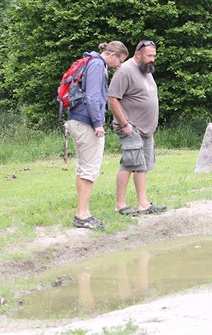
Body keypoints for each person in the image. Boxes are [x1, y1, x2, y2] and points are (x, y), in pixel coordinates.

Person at [66, 41, 129, 229]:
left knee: (84, 168)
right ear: (112, 55)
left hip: (77, 120)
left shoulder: (92, 62)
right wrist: (98, 124)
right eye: (119, 61)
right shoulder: (96, 65)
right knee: (89, 169)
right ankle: (82, 215)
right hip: (86, 122)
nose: (119, 66)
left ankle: (83, 212)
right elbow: (93, 97)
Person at [109, 40, 167, 215]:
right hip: (131, 126)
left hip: (146, 129)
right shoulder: (125, 70)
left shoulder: (146, 70)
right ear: (138, 54)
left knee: (142, 166)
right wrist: (125, 124)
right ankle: (120, 204)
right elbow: (112, 98)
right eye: (149, 56)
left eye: (154, 56)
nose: (152, 60)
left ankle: (144, 204)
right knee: (129, 163)